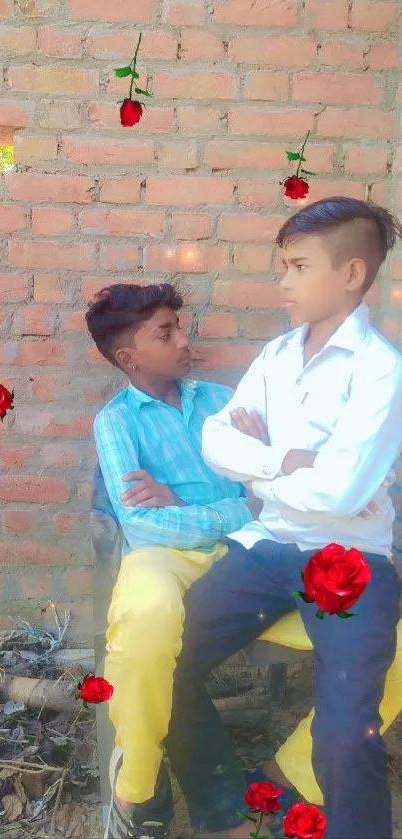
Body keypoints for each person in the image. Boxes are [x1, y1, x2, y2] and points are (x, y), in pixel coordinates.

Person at [86, 272, 399, 839]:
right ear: (130, 357)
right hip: (164, 557)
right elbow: (142, 521)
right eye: (165, 333)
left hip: (257, 552)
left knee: (397, 647)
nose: (184, 340)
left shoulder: (222, 399)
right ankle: (140, 783)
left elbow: (273, 486)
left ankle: (287, 774)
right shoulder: (116, 422)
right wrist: (236, 499)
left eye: (179, 327)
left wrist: (222, 493)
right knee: (146, 630)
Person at [157, 197, 402, 839]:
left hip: (346, 562)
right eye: (282, 266)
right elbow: (216, 442)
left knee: (346, 735)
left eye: (297, 266)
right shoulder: (276, 356)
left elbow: (343, 493)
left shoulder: (381, 372)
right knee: (163, 664)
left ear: (351, 274)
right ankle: (224, 809)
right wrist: (292, 459)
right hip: (267, 544)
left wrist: (260, 463)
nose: (282, 281)